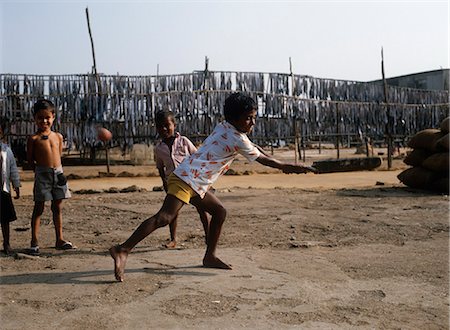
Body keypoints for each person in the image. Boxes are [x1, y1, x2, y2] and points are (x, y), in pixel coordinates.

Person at [110, 92, 316, 282]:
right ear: (235, 119)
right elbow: (264, 159)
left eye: (254, 117)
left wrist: (282, 163)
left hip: (193, 180)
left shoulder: (225, 126)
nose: (253, 122)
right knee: (164, 218)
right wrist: (289, 166)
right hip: (186, 178)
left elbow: (255, 148)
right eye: (248, 118)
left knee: (219, 212)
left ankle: (210, 256)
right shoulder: (237, 138)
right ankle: (123, 249)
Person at [154, 110, 209, 248]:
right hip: (174, 184)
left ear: (174, 125)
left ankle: (208, 236)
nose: (164, 129)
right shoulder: (158, 149)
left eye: (167, 125)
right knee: (172, 212)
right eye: (160, 126)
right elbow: (160, 167)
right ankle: (173, 239)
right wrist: (164, 183)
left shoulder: (184, 141)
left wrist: (201, 178)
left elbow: (197, 156)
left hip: (191, 182)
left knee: (202, 210)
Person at [26, 99, 74, 256]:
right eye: (40, 118)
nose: (44, 121)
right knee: (39, 207)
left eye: (47, 117)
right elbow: (30, 160)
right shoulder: (33, 139)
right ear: (35, 118)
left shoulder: (58, 136)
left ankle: (59, 239)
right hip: (42, 174)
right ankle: (34, 241)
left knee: (57, 206)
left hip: (58, 173)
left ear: (53, 116)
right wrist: (41, 172)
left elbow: (58, 155)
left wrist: (58, 172)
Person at [0, 118, 21, 255]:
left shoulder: (7, 151)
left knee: (5, 219)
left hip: (3, 190)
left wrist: (16, 185)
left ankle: (6, 243)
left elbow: (13, 169)